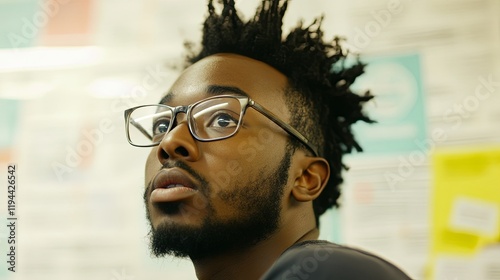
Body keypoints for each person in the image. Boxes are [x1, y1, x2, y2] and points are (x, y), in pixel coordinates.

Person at [124, 0, 412, 279]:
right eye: (163, 124)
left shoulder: (331, 272)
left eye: (222, 119)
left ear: (306, 178)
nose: (170, 142)